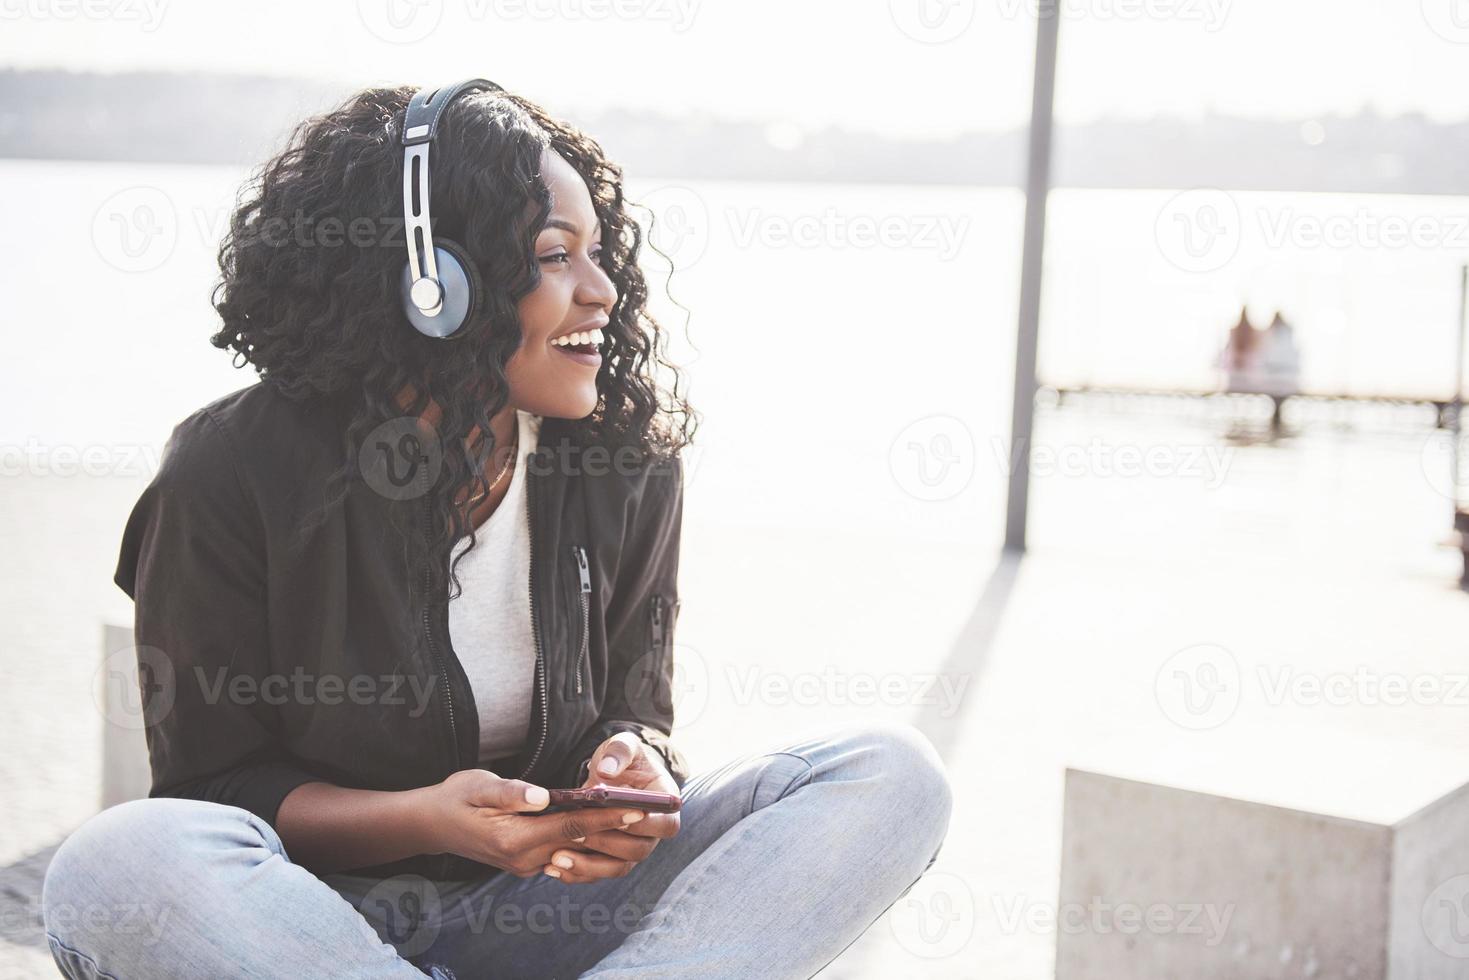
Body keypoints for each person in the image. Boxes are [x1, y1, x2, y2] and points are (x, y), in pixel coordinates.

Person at [40, 80, 953, 979]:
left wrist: (634, 766)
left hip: (545, 913)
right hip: (303, 929)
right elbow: (213, 793)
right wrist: (425, 817)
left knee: (889, 774)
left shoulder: (624, 461)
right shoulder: (229, 473)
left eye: (598, 254)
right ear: (433, 282)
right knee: (119, 858)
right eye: (556, 256)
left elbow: (638, 705)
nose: (603, 291)